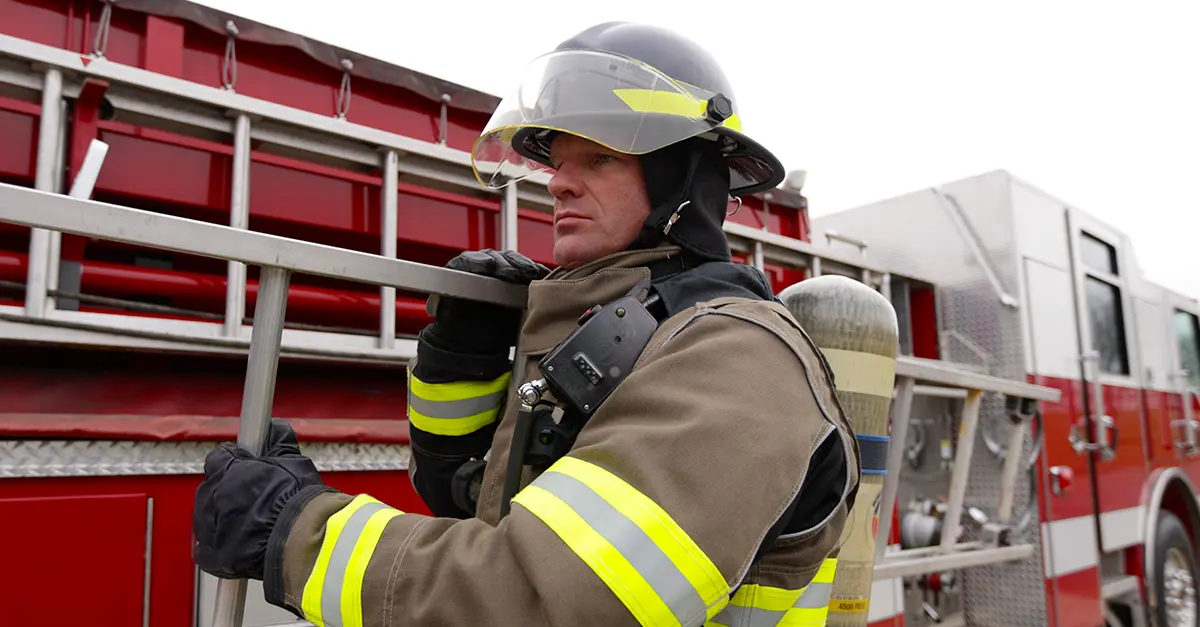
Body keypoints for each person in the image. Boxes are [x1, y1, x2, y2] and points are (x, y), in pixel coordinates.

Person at [192, 21, 861, 627]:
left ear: (682, 179)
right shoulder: (635, 328)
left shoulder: (735, 358)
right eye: (557, 161)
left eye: (599, 157)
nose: (558, 184)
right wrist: (461, 364)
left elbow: (541, 597)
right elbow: (468, 500)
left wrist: (293, 529)